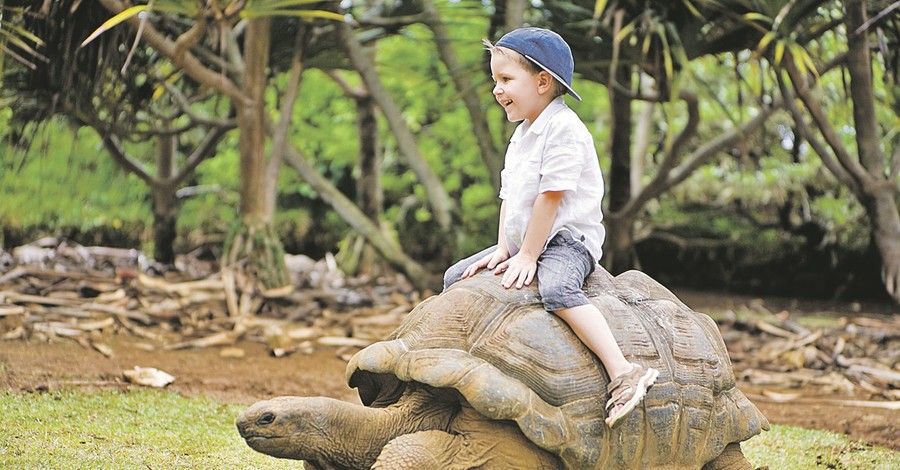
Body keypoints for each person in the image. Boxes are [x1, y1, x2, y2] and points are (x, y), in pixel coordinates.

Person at [443, 27, 659, 428]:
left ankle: (623, 372)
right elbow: (510, 197)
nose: (497, 90)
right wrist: (504, 248)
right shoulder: (522, 134)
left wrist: (529, 254)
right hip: (528, 240)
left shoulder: (565, 130)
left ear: (543, 82)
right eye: (495, 81)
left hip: (566, 242)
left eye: (506, 80)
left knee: (558, 289)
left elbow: (551, 196)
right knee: (455, 276)